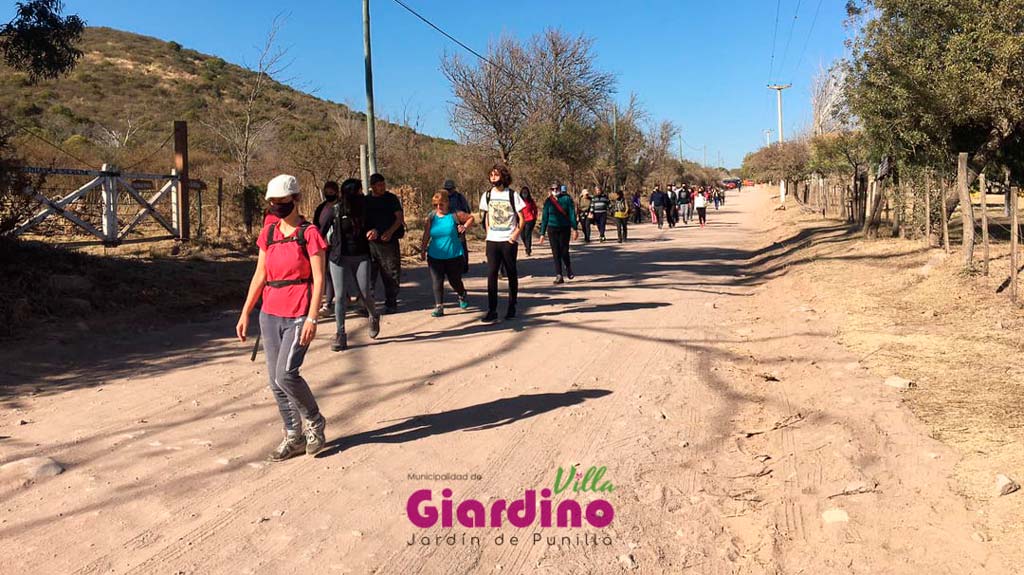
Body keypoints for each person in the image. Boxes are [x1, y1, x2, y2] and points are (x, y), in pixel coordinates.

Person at [236, 174, 327, 462]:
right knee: (274, 382)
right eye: (272, 202)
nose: (276, 207)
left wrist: (312, 318)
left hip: (299, 311)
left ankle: (314, 421)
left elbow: (320, 278)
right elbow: (260, 275)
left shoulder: (309, 233)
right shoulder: (269, 233)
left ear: (296, 200)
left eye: (282, 202)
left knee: (285, 374)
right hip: (270, 313)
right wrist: (246, 311)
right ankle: (292, 436)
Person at [322, 178, 380, 351]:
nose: (362, 194)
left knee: (365, 292)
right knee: (339, 296)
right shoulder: (335, 210)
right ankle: (340, 334)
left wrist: (374, 231)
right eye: (359, 191)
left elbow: (375, 225)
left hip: (361, 255)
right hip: (338, 257)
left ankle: (373, 315)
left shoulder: (366, 207)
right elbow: (319, 231)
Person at [479, 163, 526, 322]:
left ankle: (512, 305)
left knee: (511, 273)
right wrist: (488, 233)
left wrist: (514, 236)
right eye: (491, 175)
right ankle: (492, 309)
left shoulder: (513, 195)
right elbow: (485, 216)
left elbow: (522, 219)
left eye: (496, 174)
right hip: (492, 240)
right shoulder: (486, 195)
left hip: (508, 240)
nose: (493, 178)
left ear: (503, 177)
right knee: (492, 274)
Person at [420, 191, 475, 317]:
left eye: (441, 204)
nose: (439, 207)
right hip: (435, 255)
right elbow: (427, 234)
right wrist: (423, 249)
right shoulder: (432, 217)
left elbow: (471, 218)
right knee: (437, 281)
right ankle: (439, 306)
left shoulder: (455, 215)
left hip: (453, 255)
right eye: (436, 205)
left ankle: (462, 294)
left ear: (447, 203)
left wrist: (465, 226)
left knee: (454, 281)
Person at [365, 173, 404, 314]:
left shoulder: (391, 199)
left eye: (383, 184)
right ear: (372, 186)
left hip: (388, 243)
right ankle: (368, 304)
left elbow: (399, 218)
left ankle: (391, 302)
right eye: (378, 185)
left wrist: (390, 231)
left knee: (391, 273)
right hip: (370, 244)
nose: (382, 187)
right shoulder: (366, 200)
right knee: (369, 275)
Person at [538, 183, 579, 283]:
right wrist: (542, 233)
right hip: (552, 228)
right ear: (550, 190)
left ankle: (568, 267)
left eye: (557, 188)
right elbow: (544, 217)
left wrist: (575, 228)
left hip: (564, 228)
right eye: (553, 189)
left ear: (560, 189)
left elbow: (571, 214)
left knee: (564, 251)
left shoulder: (566, 199)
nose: (555, 190)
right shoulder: (548, 201)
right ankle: (559, 274)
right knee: (555, 252)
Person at [314, 181, 340, 317]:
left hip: (338, 245)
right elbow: (315, 226)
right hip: (323, 245)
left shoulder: (341, 207)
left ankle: (333, 301)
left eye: (331, 192)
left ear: (336, 192)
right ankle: (328, 303)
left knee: (335, 273)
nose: (328, 195)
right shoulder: (321, 208)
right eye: (327, 192)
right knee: (327, 274)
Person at [443, 179, 472, 273]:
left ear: (454, 188)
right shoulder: (443, 198)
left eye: (450, 189)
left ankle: (464, 265)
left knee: (462, 244)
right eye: (447, 189)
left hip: (459, 224)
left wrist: (464, 223)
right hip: (446, 225)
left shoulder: (460, 197)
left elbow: (467, 210)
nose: (449, 191)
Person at [520, 187, 539, 256]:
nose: (524, 194)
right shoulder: (519, 201)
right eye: (523, 192)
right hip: (521, 220)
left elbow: (535, 209)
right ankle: (526, 246)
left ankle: (528, 249)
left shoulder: (531, 201)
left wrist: (535, 217)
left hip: (530, 219)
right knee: (522, 235)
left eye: (526, 192)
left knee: (527, 234)